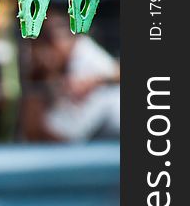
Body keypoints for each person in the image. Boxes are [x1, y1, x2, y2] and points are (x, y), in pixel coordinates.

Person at [19, 11, 120, 141]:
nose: (43, 53)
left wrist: (96, 81)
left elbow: (67, 135)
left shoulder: (86, 55)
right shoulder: (51, 62)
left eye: (51, 41)